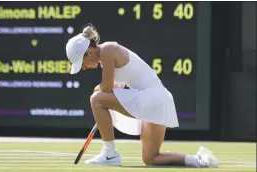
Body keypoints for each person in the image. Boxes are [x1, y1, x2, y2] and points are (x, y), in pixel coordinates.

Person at [65, 24, 219, 168]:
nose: (83, 68)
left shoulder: (107, 50)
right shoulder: (107, 56)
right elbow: (116, 87)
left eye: (82, 63)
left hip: (152, 98)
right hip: (158, 101)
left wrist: (98, 91)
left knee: (96, 99)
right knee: (151, 158)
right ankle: (198, 160)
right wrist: (104, 99)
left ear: (89, 52)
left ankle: (110, 154)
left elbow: (107, 87)